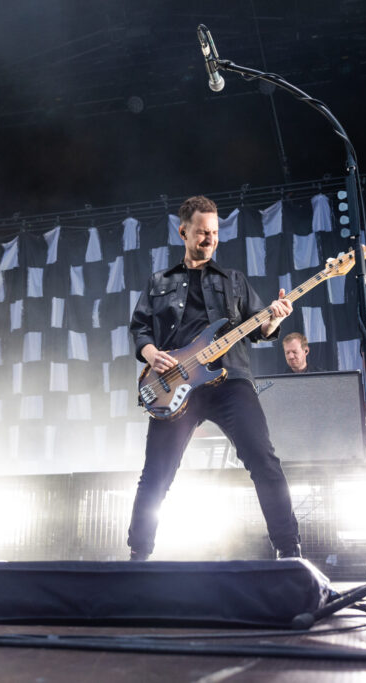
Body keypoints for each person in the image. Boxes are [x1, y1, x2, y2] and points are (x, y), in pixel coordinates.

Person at [127, 195, 302, 561]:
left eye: (215, 232)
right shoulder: (159, 281)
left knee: (264, 459)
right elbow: (140, 327)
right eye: (202, 232)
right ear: (183, 232)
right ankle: (138, 554)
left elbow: (261, 328)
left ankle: (289, 550)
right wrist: (150, 354)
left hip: (230, 381)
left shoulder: (234, 281)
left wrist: (276, 318)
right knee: (156, 474)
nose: (210, 239)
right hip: (176, 385)